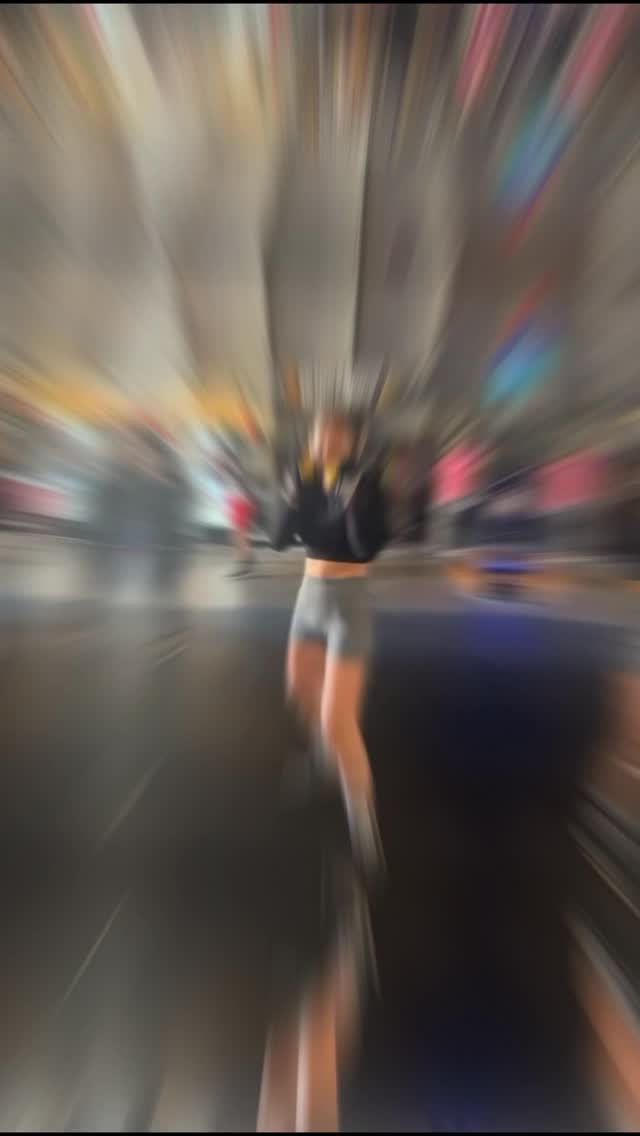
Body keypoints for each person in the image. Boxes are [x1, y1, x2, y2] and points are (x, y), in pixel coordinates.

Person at [272, 411, 389, 878]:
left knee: (337, 720)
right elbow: (278, 539)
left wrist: (353, 501)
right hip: (309, 598)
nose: (327, 443)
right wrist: (292, 495)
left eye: (336, 436)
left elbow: (364, 548)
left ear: (351, 442)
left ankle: (362, 819)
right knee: (299, 688)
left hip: (348, 603)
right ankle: (324, 764)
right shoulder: (306, 480)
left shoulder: (367, 482)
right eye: (321, 435)